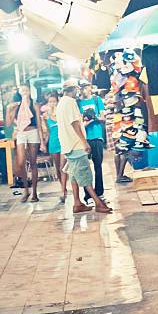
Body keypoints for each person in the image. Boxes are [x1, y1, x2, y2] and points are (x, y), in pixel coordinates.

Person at [56, 80, 112, 214]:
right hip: (75, 144)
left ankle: (77, 203)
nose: (78, 92)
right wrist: (84, 142)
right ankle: (98, 202)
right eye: (77, 89)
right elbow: (75, 123)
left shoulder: (61, 103)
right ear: (73, 89)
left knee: (75, 175)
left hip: (67, 144)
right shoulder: (70, 103)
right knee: (85, 174)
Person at [6, 84, 45, 203]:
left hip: (33, 131)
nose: (24, 92)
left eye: (26, 90)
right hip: (21, 132)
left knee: (33, 162)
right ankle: (26, 189)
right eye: (22, 90)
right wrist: (9, 109)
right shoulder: (16, 106)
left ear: (29, 91)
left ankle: (34, 192)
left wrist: (42, 142)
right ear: (19, 92)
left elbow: (38, 123)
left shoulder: (34, 104)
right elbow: (8, 123)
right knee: (21, 162)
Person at [77, 82, 106, 204]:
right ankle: (88, 194)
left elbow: (103, 118)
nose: (84, 90)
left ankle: (99, 192)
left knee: (98, 165)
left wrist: (94, 118)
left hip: (97, 137)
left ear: (90, 88)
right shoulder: (77, 103)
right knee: (85, 167)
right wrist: (87, 121)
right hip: (84, 138)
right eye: (82, 87)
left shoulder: (96, 99)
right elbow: (78, 121)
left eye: (86, 87)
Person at [42, 92, 68, 203]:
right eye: (50, 102)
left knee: (63, 167)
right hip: (53, 143)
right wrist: (43, 144)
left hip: (63, 142)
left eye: (54, 101)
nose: (52, 104)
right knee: (57, 168)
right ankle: (63, 187)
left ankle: (63, 191)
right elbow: (46, 131)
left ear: (58, 102)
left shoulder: (62, 113)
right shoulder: (46, 116)